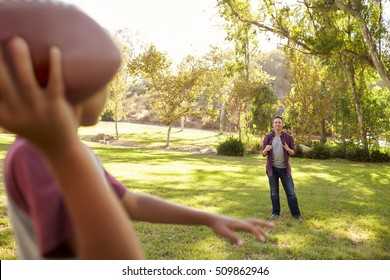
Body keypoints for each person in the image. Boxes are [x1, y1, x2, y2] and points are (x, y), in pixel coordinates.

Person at [0, 37, 274, 260]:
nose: (108, 93)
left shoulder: (68, 151)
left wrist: (207, 218)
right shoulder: (38, 152)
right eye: (105, 82)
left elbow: (130, 202)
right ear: (75, 85)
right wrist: (64, 152)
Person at [261, 116, 303, 221]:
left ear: (282, 124)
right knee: (274, 193)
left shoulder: (288, 137)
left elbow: (293, 152)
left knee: (291, 193)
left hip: (285, 169)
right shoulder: (268, 137)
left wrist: (288, 149)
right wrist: (266, 149)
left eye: (279, 122)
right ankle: (275, 212)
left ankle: (296, 215)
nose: (277, 124)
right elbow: (263, 154)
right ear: (273, 124)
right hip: (272, 169)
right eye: (276, 122)